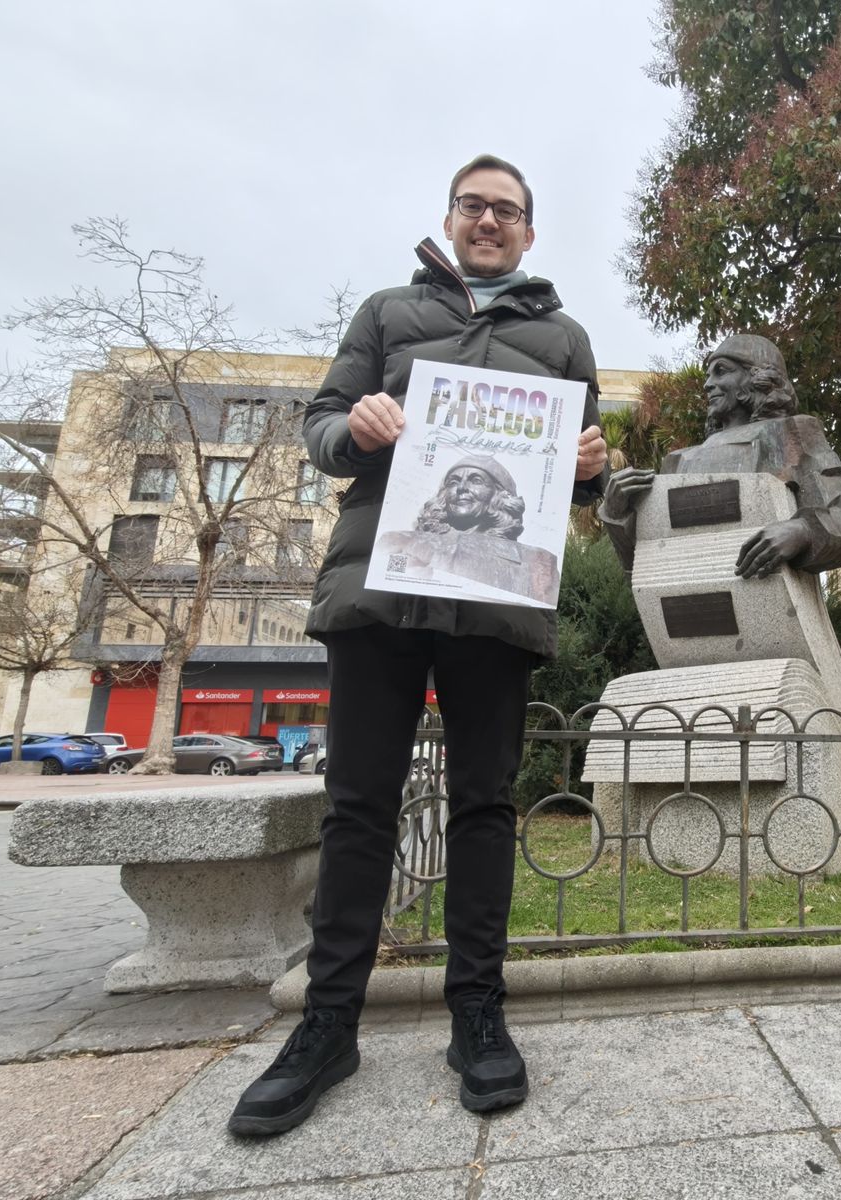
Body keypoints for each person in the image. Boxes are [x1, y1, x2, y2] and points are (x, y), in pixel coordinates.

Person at [227, 154, 607, 1135]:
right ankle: (327, 1026)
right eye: (474, 205)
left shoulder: (564, 339)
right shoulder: (389, 314)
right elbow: (317, 431)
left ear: (530, 232)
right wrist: (354, 428)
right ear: (449, 218)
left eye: (508, 210)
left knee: (485, 807)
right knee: (357, 809)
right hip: (377, 592)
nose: (489, 221)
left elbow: (578, 479)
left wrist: (589, 471)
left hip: (495, 604)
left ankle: (477, 1013)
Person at [600, 333, 841, 578]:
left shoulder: (790, 434)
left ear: (756, 378)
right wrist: (615, 514)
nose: (708, 384)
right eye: (708, 375)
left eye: (721, 372)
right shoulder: (678, 460)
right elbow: (643, 568)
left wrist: (802, 531)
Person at [376, 453, 561, 604]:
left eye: (476, 480)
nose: (461, 488)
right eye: (453, 482)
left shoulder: (538, 563)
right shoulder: (400, 541)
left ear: (499, 495)